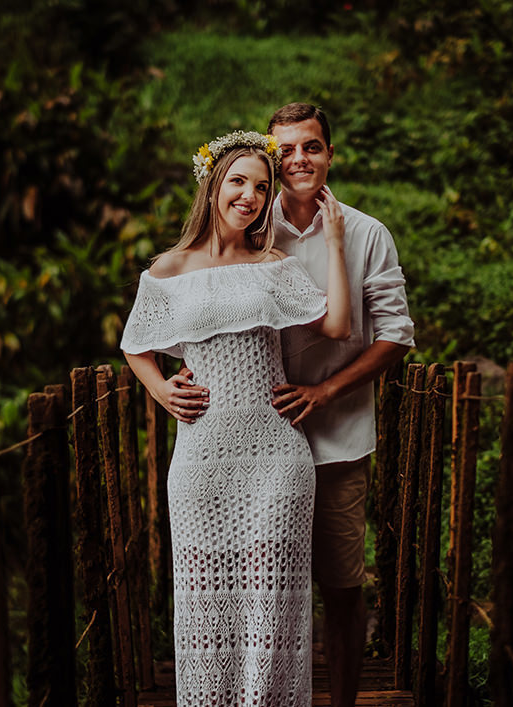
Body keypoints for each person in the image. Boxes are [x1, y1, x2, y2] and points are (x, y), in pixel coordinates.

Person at [120, 129, 351, 705]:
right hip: (201, 457)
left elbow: (337, 326)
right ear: (213, 185)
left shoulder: (271, 267)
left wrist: (337, 244)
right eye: (238, 181)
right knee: (206, 606)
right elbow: (135, 344)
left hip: (276, 456)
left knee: (272, 605)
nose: (249, 195)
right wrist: (160, 391)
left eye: (261, 187)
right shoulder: (169, 269)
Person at [268, 103, 415, 707]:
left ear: (331, 154)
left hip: (339, 441)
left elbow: (395, 336)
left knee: (342, 585)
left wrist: (327, 391)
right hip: (264, 441)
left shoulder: (367, 232)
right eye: (286, 151)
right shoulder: (249, 227)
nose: (299, 160)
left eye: (311, 147)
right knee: (272, 588)